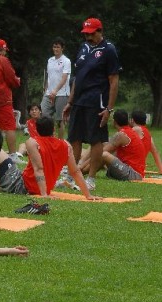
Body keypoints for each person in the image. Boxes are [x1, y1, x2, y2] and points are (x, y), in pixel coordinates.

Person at [62, 17, 121, 191]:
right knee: (74, 138)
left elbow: (114, 81)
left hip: (97, 101)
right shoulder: (83, 48)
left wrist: (109, 108)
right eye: (85, 33)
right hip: (79, 100)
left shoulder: (109, 50)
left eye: (91, 33)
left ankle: (91, 179)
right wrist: (70, 102)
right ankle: (70, 176)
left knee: (96, 140)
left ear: (99, 31)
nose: (88, 36)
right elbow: (76, 78)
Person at [0, 116, 99, 200]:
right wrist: (88, 195)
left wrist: (44, 194)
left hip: (21, 186)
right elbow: (75, 172)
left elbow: (38, 169)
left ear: (36, 129)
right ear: (53, 129)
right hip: (27, 184)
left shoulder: (33, 142)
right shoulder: (66, 145)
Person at [99, 109, 145, 181]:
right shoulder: (130, 131)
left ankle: (81, 170)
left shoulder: (122, 134)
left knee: (103, 154)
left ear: (114, 122)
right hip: (134, 171)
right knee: (100, 146)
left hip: (134, 174)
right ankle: (80, 169)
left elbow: (101, 153)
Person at [41, 37, 71, 139]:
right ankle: (49, 138)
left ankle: (60, 141)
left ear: (62, 48)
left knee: (60, 120)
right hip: (49, 93)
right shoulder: (50, 60)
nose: (56, 49)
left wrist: (56, 90)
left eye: (58, 47)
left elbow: (64, 78)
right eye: (54, 47)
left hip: (62, 93)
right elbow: (49, 77)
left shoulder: (66, 61)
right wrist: (46, 90)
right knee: (44, 115)